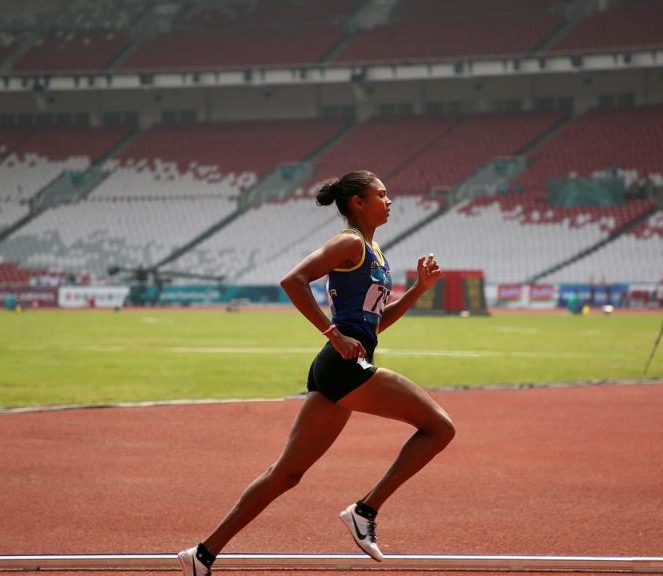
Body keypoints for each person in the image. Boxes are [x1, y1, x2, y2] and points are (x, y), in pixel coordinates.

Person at [178, 170, 456, 576]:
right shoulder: (348, 243)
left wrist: (416, 290)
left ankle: (201, 555)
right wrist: (334, 334)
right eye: (381, 194)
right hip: (343, 364)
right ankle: (365, 510)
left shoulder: (374, 251)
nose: (390, 200)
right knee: (439, 428)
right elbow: (293, 281)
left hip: (339, 364)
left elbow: (374, 326)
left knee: (286, 474)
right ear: (358, 203)